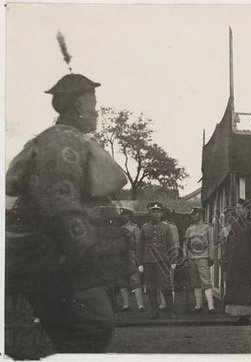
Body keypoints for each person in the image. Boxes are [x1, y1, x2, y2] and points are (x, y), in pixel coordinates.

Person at [6, 73, 129, 352]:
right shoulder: (63, 145)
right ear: (77, 107)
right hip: (55, 258)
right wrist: (86, 252)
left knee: (85, 332)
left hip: (52, 258)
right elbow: (60, 205)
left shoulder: (54, 140)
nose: (96, 111)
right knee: (93, 327)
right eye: (93, 104)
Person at [223, 200, 251, 324]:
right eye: (237, 209)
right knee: (239, 291)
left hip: (247, 263)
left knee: (249, 290)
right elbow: (230, 243)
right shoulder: (235, 225)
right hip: (236, 263)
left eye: (240, 209)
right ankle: (243, 316)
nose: (238, 211)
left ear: (247, 210)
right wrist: (226, 258)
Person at [137, 202, 177, 319]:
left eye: (158, 212)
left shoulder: (166, 227)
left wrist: (173, 260)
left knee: (166, 286)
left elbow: (170, 244)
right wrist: (139, 263)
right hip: (148, 261)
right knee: (150, 287)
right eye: (153, 212)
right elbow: (140, 247)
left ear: (161, 213)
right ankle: (154, 311)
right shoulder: (144, 228)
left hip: (162, 261)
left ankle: (170, 311)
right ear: (149, 213)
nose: (155, 214)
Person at [183, 207, 216, 313]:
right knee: (195, 282)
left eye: (194, 214)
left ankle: (211, 306)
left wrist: (211, 256)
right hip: (192, 258)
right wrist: (185, 257)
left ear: (200, 214)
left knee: (206, 281)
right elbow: (185, 244)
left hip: (203, 257)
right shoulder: (190, 229)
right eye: (192, 214)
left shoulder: (208, 228)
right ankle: (198, 305)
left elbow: (211, 243)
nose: (192, 216)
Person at [117, 208, 145, 312]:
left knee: (135, 280)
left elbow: (138, 244)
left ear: (129, 216)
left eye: (124, 215)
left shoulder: (134, 228)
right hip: (120, 257)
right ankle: (126, 305)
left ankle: (140, 305)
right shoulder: (118, 229)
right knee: (122, 281)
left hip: (131, 255)